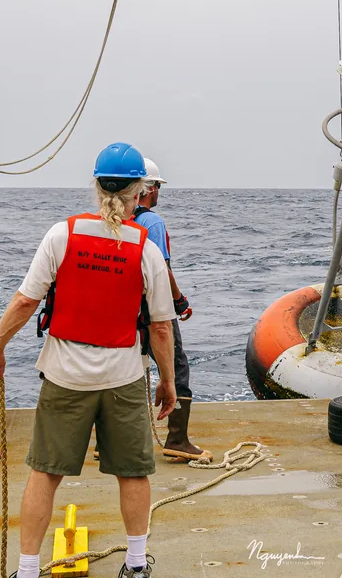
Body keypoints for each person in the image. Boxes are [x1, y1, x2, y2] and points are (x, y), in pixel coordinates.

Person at [0, 142, 177, 578]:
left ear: (96, 186)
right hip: (123, 376)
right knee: (133, 473)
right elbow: (161, 327)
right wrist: (168, 381)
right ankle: (136, 566)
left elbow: (25, 301)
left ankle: (27, 570)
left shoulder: (61, 235)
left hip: (64, 375)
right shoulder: (146, 249)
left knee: (45, 474)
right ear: (139, 192)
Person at [132, 157, 211, 461]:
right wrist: (179, 300)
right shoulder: (152, 222)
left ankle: (107, 443)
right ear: (150, 188)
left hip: (123, 308)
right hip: (152, 308)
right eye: (158, 188)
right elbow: (161, 269)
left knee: (127, 370)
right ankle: (177, 439)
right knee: (176, 367)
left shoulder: (117, 221)